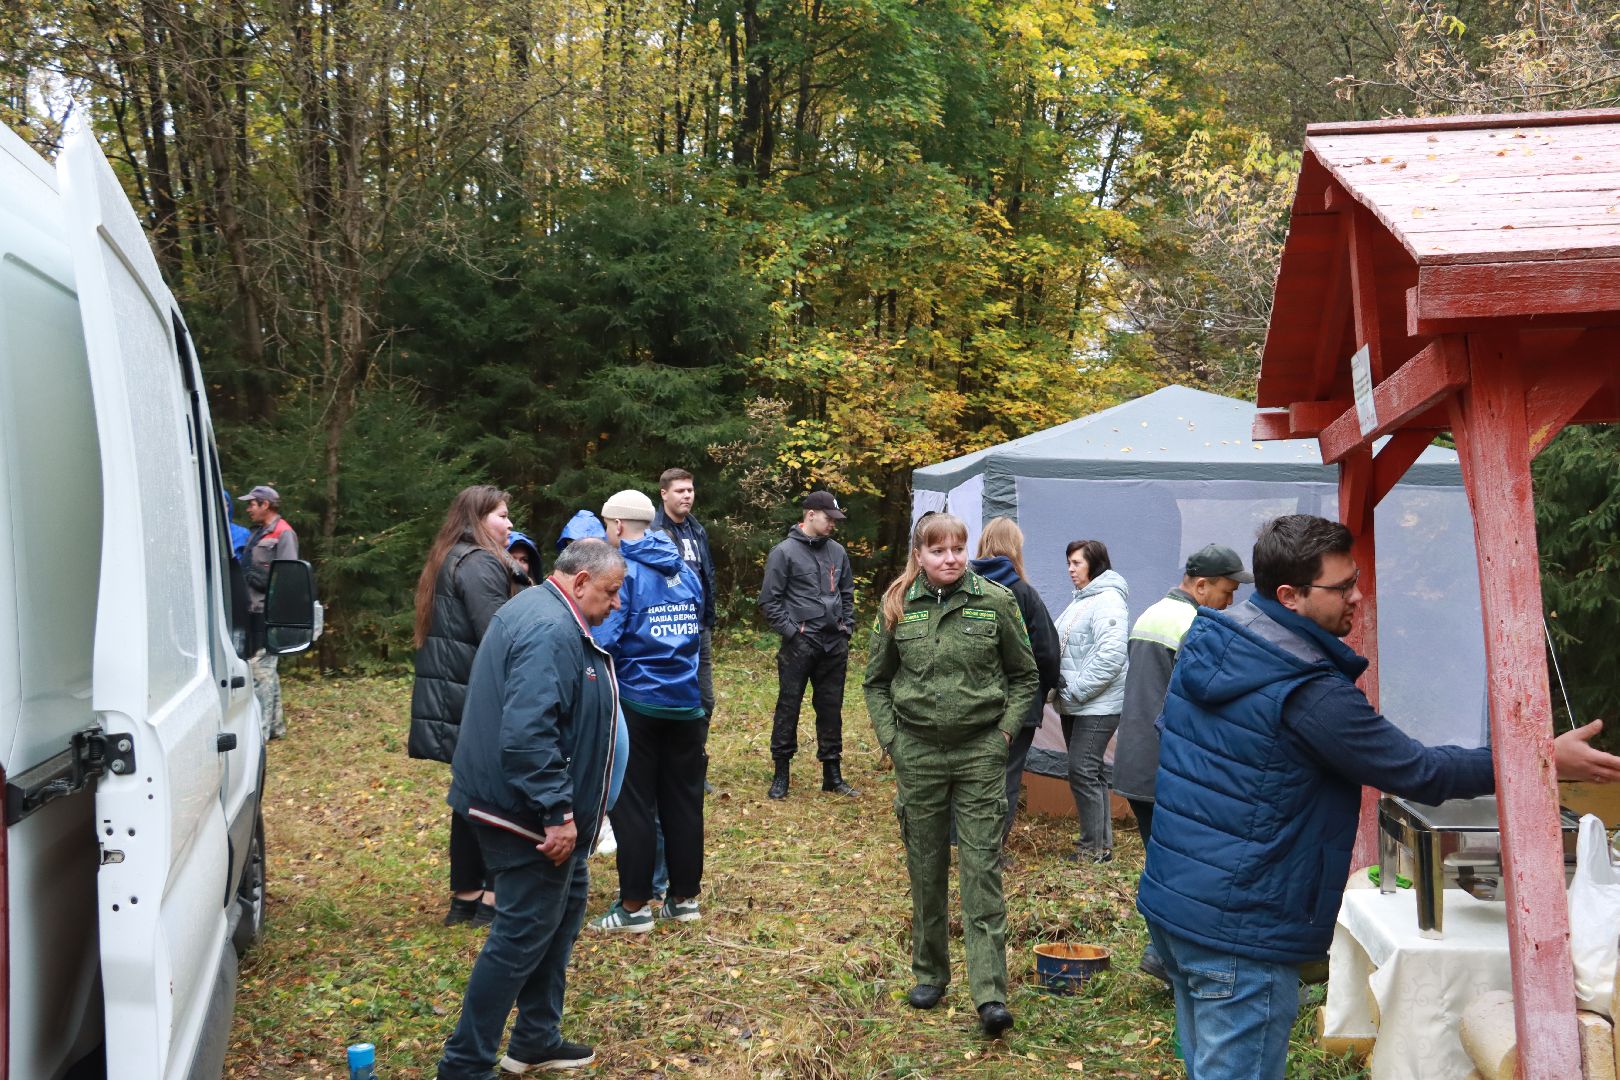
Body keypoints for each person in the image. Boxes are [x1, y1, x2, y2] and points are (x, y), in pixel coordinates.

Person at [1138, 514, 1620, 1079]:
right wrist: (1536, 757)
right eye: (1341, 587)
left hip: (1176, 901)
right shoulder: (1306, 690)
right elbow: (1417, 770)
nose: (1358, 596)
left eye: (1356, 579)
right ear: (1289, 596)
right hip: (1241, 929)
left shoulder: (1215, 638)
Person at [435, 539, 625, 1079]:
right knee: (520, 934)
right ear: (582, 580)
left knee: (562, 912)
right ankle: (465, 1065)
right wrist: (556, 814)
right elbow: (526, 735)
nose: (616, 605)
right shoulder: (549, 628)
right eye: (611, 593)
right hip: (526, 816)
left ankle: (536, 1037)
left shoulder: (541, 608)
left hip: (535, 809)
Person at [864, 512, 1039, 1039]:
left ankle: (990, 994)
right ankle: (930, 973)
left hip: (979, 755)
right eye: (938, 551)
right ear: (919, 555)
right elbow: (875, 681)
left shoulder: (996, 601)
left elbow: (1026, 674)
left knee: (982, 869)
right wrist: (893, 742)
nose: (950, 559)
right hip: (917, 754)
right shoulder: (897, 606)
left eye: (958, 549)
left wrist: (1003, 735)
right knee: (926, 864)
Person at [1113, 542, 1250, 985]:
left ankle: (1162, 954)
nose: (1230, 602)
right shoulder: (1194, 624)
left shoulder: (1153, 613)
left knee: (1162, 862)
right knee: (1183, 870)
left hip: (1137, 759)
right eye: (1227, 592)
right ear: (1202, 585)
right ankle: (1176, 961)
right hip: (1168, 764)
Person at [588, 490, 708, 933]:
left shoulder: (623, 572)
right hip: (686, 702)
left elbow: (609, 633)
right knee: (683, 803)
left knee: (634, 804)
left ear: (618, 526)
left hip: (639, 700)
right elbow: (699, 623)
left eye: (606, 526)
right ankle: (683, 900)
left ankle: (634, 906)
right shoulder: (685, 570)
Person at [410, 486, 526, 926]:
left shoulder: (452, 556)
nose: (509, 524)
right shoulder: (478, 563)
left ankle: (467, 895)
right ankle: (491, 897)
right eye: (501, 515)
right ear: (477, 519)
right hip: (478, 696)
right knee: (495, 795)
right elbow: (499, 634)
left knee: (471, 794)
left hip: (460, 692)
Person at [967, 517, 1061, 854]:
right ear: (1016, 549)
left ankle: (963, 841)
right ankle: (991, 849)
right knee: (1006, 776)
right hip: (1017, 707)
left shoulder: (963, 587)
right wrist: (1047, 687)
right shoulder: (1024, 594)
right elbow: (1047, 652)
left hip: (970, 701)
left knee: (970, 774)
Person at [758, 490, 857, 799]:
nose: (833, 525)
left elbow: (847, 593)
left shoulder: (838, 552)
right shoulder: (783, 552)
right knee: (788, 707)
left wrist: (846, 628)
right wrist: (793, 633)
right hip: (799, 644)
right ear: (810, 515)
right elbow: (769, 601)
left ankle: (832, 774)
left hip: (833, 644)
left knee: (831, 709)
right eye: (829, 519)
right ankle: (781, 774)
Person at [1052, 538, 1129, 862]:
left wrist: (1076, 690)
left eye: (1076, 563)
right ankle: (1101, 846)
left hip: (1096, 704)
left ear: (1094, 564)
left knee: (1082, 770)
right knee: (1090, 771)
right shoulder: (1083, 599)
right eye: (1068, 563)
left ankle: (1092, 849)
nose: (1070, 569)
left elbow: (1111, 656)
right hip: (1078, 703)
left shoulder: (1108, 600)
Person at [652, 468, 718, 720]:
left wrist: (709, 618)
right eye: (680, 491)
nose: (687, 496)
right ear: (664, 494)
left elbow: (706, 574)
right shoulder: (654, 532)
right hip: (670, 626)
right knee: (675, 697)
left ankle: (696, 755)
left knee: (705, 700)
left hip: (700, 627)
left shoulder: (696, 529)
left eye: (690, 490)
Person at [239, 484, 299, 741]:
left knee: (259, 671)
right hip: (253, 609)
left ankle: (261, 732)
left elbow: (288, 577)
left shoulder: (284, 533)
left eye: (252, 503)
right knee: (267, 670)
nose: (248, 508)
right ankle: (276, 727)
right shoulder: (258, 533)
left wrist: (258, 579)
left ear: (266, 505)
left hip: (269, 613)